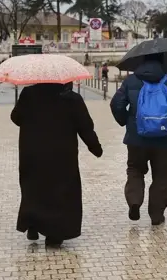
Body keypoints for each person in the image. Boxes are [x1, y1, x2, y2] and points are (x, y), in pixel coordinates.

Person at [10, 81, 103, 247]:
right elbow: (85, 126)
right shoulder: (72, 100)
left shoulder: (29, 94)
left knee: (33, 188)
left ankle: (32, 223)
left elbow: (15, 118)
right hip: (61, 156)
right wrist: (95, 148)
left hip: (32, 153)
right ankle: (55, 234)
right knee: (59, 192)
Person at [110, 54, 167, 225]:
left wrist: (126, 121)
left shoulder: (131, 81)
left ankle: (135, 202)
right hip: (164, 138)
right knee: (162, 176)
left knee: (135, 170)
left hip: (136, 138)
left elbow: (116, 103)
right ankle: (157, 215)